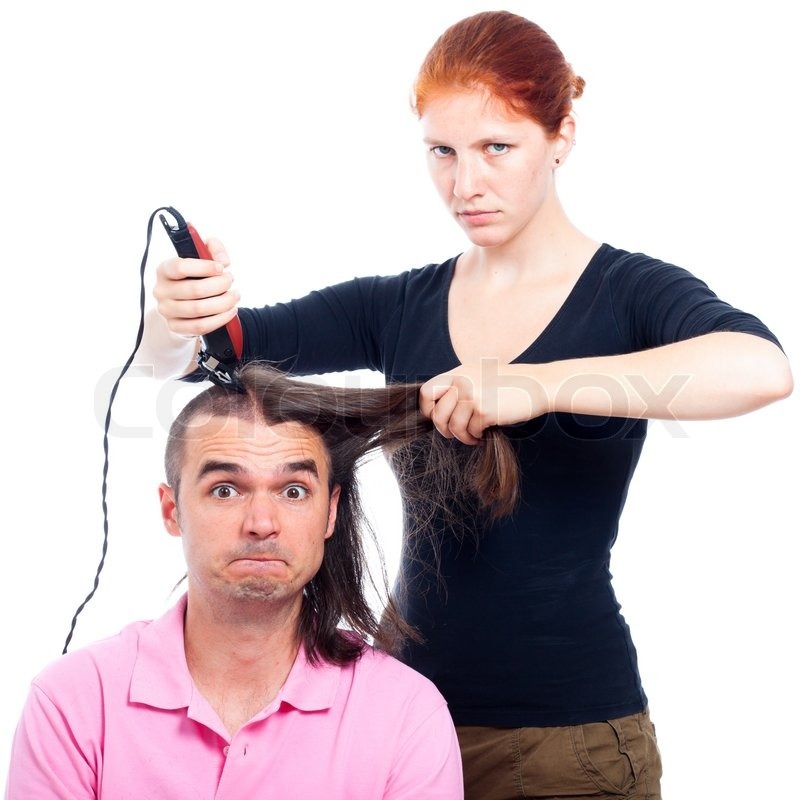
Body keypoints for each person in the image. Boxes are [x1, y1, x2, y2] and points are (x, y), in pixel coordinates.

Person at [138, 11, 793, 800]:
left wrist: (534, 384)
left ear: (562, 135)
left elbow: (761, 368)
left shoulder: (630, 293)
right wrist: (175, 315)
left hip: (565, 742)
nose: (465, 184)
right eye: (441, 152)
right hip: (399, 718)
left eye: (497, 148)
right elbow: (219, 355)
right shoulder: (399, 306)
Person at [4, 363, 467, 799]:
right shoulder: (71, 702)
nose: (262, 524)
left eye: (293, 491)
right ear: (172, 510)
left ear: (330, 512)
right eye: (225, 490)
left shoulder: (407, 714)